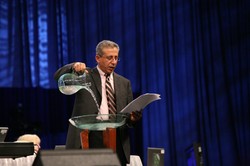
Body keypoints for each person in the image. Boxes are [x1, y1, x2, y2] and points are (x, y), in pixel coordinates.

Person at [54, 40, 142, 165]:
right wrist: (73, 67)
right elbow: (57, 76)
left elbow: (127, 117)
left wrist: (133, 118)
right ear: (97, 58)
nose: (114, 62)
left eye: (116, 58)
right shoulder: (84, 76)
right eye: (109, 58)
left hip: (116, 140)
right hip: (89, 137)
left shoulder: (124, 83)